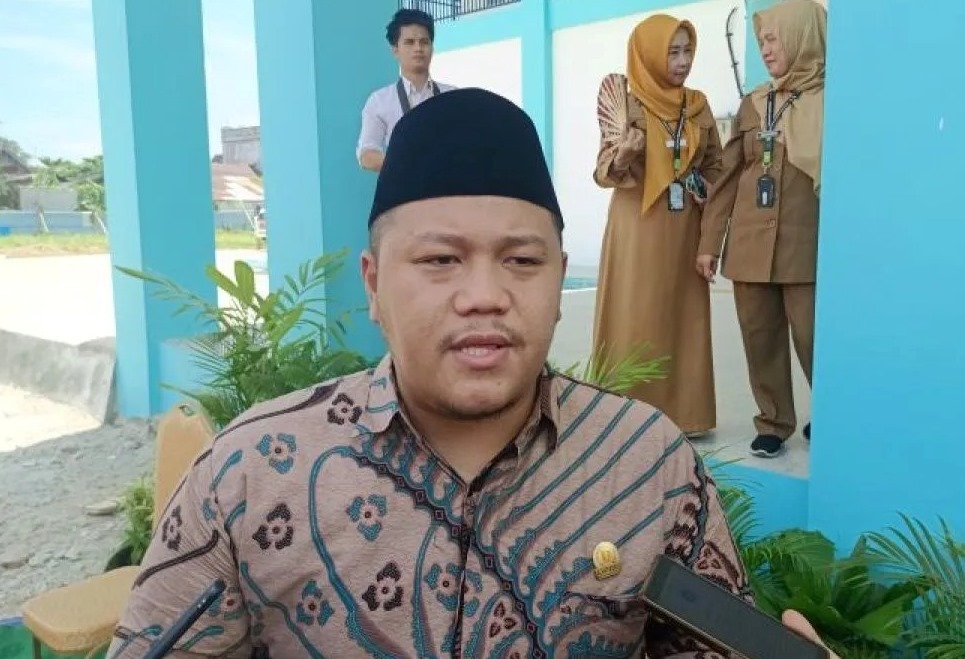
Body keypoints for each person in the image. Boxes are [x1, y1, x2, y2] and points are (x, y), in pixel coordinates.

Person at [107, 88, 834, 658]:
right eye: (440, 259)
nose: (485, 294)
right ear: (373, 283)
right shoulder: (251, 473)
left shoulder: (646, 464)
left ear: (559, 279)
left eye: (521, 260)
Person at [698, 0, 826, 458]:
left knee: (814, 337)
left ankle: (832, 413)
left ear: (801, 37)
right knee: (759, 337)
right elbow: (727, 176)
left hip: (803, 244)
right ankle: (773, 421)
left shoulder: (831, 101)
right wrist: (710, 243)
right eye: (762, 42)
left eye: (774, 39)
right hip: (750, 243)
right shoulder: (754, 103)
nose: (766, 50)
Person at [592, 15, 723, 439]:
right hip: (637, 227)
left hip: (685, 228)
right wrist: (624, 156)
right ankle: (625, 416)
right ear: (648, 55)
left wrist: (705, 197)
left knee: (683, 319)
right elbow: (603, 173)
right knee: (634, 315)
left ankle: (686, 414)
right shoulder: (629, 104)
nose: (683, 61)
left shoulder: (698, 105)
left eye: (688, 51)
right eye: (672, 52)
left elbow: (717, 169)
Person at [356, 8, 455, 173]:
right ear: (395, 50)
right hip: (404, 186)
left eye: (424, 42)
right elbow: (366, 154)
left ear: (432, 47)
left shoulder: (453, 96)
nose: (418, 48)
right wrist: (405, 165)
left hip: (447, 184)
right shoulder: (380, 101)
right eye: (409, 42)